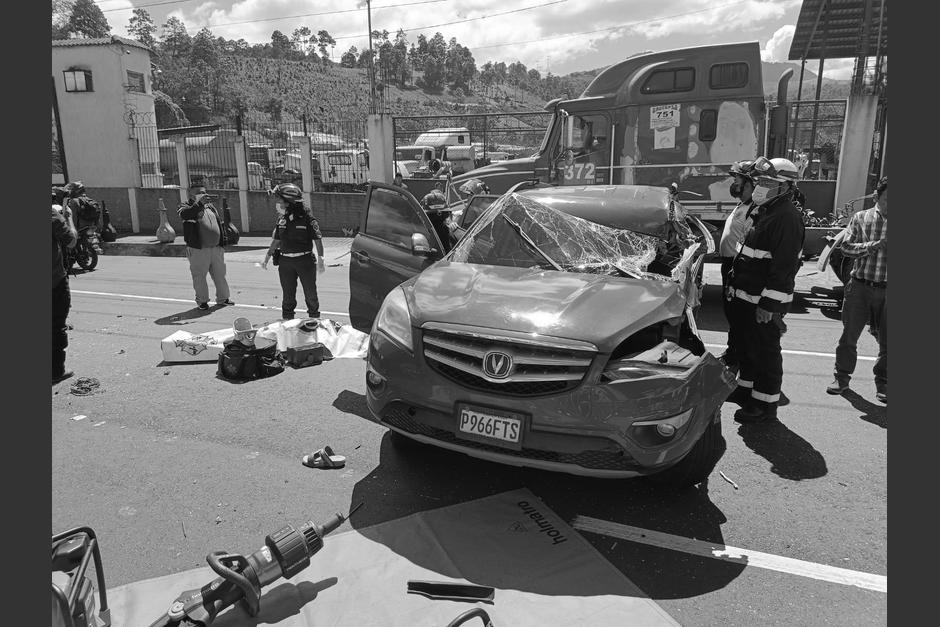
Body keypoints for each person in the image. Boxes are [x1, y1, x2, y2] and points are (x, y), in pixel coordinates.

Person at [725, 156, 805, 423]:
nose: (761, 185)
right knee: (748, 348)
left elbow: (783, 270)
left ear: (785, 187)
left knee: (765, 354)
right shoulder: (765, 210)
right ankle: (746, 391)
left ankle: (764, 404)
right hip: (747, 298)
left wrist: (768, 307)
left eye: (769, 181)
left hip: (762, 303)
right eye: (760, 180)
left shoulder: (786, 218)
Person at [827, 176, 887, 403]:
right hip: (860, 286)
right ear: (877, 196)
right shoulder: (861, 218)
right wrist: (872, 246)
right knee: (849, 337)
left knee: (889, 342)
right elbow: (846, 248)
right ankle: (841, 378)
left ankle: (884, 383)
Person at [261, 183, 325, 320]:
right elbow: (276, 241)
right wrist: (267, 257)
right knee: (288, 294)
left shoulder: (308, 219)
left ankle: (314, 318)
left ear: (289, 202)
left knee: (310, 293)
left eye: (280, 201)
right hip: (285, 263)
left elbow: (318, 240)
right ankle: (287, 319)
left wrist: (321, 259)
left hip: (305, 261)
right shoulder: (282, 220)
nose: (278, 204)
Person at [717, 159, 757, 373]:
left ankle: (737, 359)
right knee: (732, 313)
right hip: (730, 265)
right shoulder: (743, 205)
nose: (734, 183)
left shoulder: (755, 210)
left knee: (738, 314)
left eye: (738, 179)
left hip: (738, 267)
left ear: (750, 183)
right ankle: (732, 352)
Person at [178, 187, 233, 310]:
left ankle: (223, 298)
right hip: (199, 249)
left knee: (220, 274)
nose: (204, 194)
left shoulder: (210, 207)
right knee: (199, 276)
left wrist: (223, 241)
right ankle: (202, 301)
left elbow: (219, 224)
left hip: (216, 248)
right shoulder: (185, 206)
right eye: (200, 193)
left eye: (205, 192)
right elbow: (185, 215)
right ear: (192, 195)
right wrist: (199, 204)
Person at [53, 200, 78, 384]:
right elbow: (71, 241)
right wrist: (68, 218)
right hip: (53, 281)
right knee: (55, 326)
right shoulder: (53, 216)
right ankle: (56, 371)